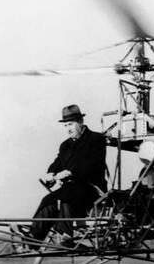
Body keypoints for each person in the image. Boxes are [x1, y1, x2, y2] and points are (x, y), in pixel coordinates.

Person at [28, 104, 107, 248]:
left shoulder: (96, 139)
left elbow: (93, 165)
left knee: (66, 194)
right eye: (65, 125)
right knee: (49, 200)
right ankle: (33, 238)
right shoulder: (65, 145)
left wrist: (70, 172)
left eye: (70, 124)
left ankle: (65, 235)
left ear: (80, 122)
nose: (68, 129)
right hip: (72, 190)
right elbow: (57, 162)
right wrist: (50, 173)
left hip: (92, 188)